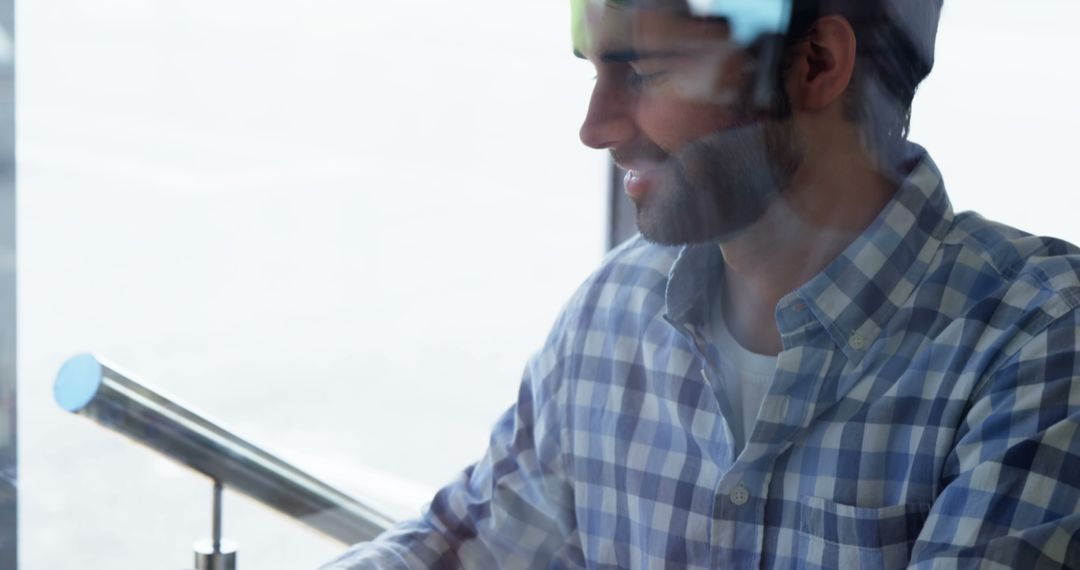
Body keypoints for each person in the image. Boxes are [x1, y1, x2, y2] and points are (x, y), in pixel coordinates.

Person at [324, 0, 1080, 567]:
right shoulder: (613, 311)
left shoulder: (1037, 343)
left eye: (644, 73)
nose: (596, 125)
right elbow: (469, 542)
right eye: (594, 73)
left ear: (815, 63)